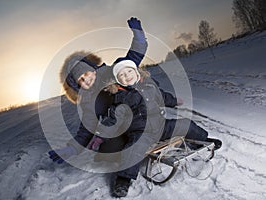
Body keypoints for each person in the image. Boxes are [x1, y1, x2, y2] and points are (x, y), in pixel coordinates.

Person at [88, 59, 221, 197]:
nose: (127, 75)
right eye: (122, 75)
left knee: (184, 124)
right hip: (140, 133)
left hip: (161, 126)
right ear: (117, 80)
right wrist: (100, 136)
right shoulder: (121, 98)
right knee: (133, 150)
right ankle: (123, 179)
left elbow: (162, 96)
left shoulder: (150, 86)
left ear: (137, 71)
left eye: (129, 71)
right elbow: (112, 119)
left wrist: (174, 101)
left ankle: (204, 139)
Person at [48, 17, 147, 164]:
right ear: (77, 86)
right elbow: (87, 127)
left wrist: (138, 37)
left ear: (93, 70)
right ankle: (130, 144)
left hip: (140, 113)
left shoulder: (110, 72)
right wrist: (72, 149)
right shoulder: (88, 101)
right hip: (119, 126)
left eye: (86, 74)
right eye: (81, 79)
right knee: (107, 153)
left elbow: (133, 58)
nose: (86, 79)